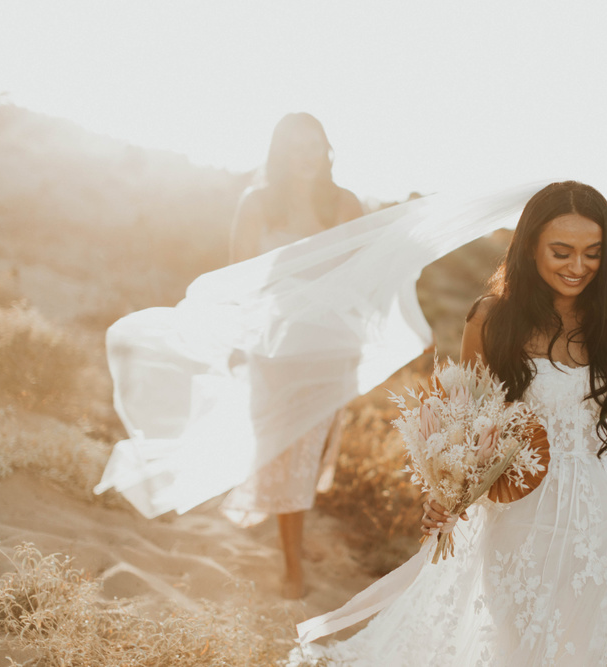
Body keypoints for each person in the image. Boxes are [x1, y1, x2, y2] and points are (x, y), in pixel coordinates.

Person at [290, 181, 607, 665]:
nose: (578, 266)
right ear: (530, 247)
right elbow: (465, 423)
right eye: (561, 252)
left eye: (593, 253)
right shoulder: (490, 318)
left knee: (594, 644)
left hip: (600, 514)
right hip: (518, 507)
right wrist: (446, 493)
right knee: (514, 640)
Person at [221, 112, 364, 598]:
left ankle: (292, 540)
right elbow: (239, 280)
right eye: (294, 147)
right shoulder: (257, 204)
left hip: (331, 347)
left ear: (326, 149)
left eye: (313, 145)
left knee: (314, 453)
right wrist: (237, 342)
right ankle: (291, 564)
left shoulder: (345, 204)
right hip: (276, 347)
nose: (305, 156)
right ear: (279, 153)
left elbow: (363, 277)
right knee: (289, 451)